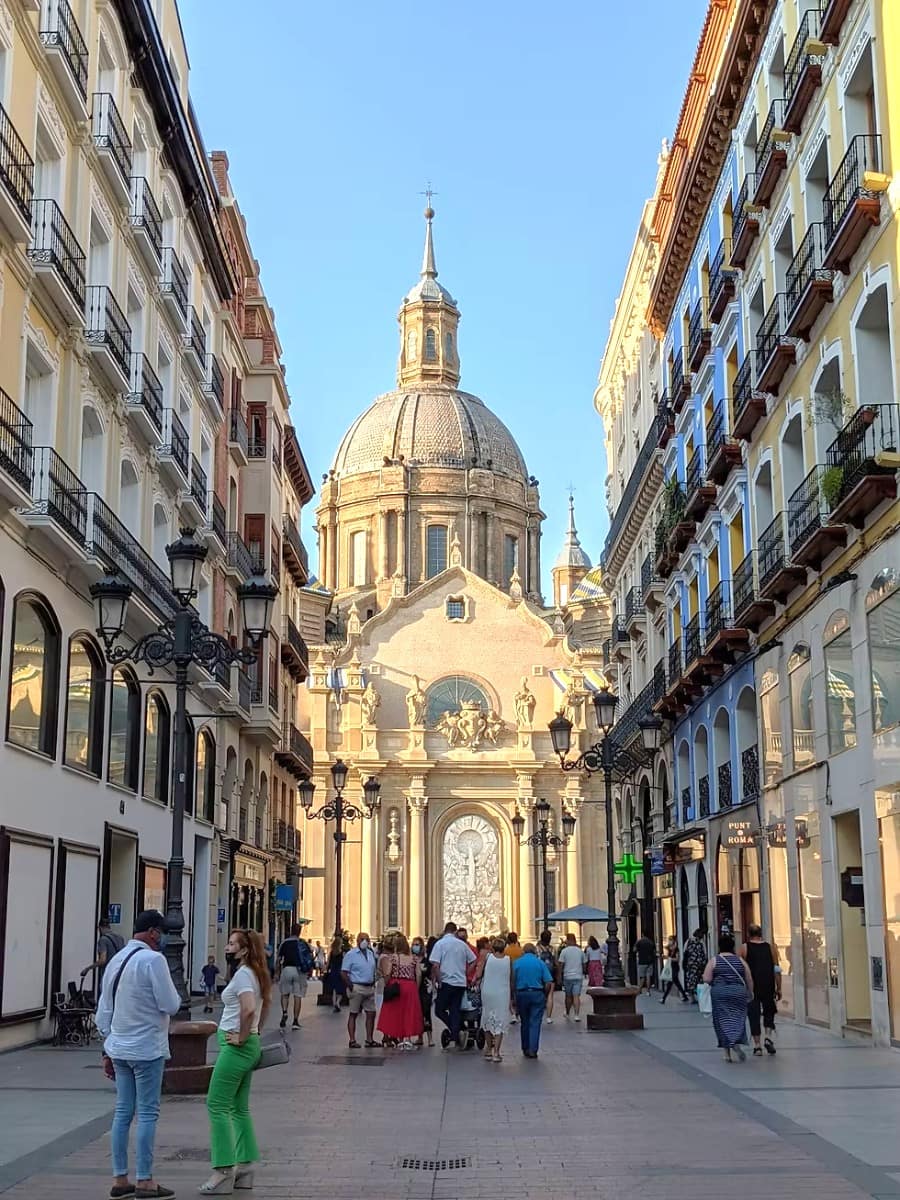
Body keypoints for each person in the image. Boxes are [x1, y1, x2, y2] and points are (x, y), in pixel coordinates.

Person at [95, 909, 180, 1200]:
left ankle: (120, 1178)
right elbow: (170, 1004)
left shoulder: (117, 959)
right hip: (147, 1049)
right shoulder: (153, 960)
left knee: (122, 1112)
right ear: (154, 933)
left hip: (119, 1048)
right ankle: (145, 1180)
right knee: (146, 1113)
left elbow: (104, 1009)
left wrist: (107, 1046)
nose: (164, 937)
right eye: (163, 932)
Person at [200, 928, 271, 1194]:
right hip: (248, 1044)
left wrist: (242, 1036)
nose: (227, 948)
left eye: (232, 944)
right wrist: (255, 1032)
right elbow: (266, 1006)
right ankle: (246, 1166)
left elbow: (249, 1008)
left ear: (244, 950)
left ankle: (223, 1169)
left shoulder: (243, 974)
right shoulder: (257, 973)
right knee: (239, 1108)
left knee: (216, 1104)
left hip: (237, 1047)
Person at [703, 932, 753, 1063]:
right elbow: (749, 978)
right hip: (738, 993)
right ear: (732, 947)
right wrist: (750, 993)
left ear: (719, 946)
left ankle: (727, 1052)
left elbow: (707, 979)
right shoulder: (740, 960)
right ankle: (735, 1039)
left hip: (720, 994)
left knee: (721, 1021)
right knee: (738, 1019)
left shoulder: (714, 960)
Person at [430, 921, 476, 1049]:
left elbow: (435, 965)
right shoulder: (462, 945)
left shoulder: (440, 944)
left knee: (439, 1009)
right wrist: (466, 973)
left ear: (445, 931)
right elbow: (473, 960)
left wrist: (439, 980)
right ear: (455, 931)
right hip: (460, 983)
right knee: (455, 1009)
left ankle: (457, 1031)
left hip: (446, 982)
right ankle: (457, 1033)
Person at [376, 933, 424, 1049]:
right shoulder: (414, 958)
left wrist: (386, 983)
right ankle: (408, 1038)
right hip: (410, 986)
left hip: (396, 985)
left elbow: (388, 973)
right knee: (409, 1013)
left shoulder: (393, 958)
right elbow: (418, 974)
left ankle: (400, 1038)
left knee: (397, 1012)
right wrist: (415, 987)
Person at [739, 924, 780, 1055]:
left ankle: (757, 1046)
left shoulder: (744, 948)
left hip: (752, 987)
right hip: (768, 984)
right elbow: (776, 969)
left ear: (748, 934)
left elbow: (739, 969)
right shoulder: (770, 947)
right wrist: (779, 987)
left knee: (754, 1015)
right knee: (769, 1011)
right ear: (761, 933)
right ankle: (768, 1037)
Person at [512, 943, 553, 1058]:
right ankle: (533, 1049)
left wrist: (513, 996)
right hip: (537, 993)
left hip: (522, 993)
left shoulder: (517, 963)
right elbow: (548, 981)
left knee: (524, 1022)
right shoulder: (540, 963)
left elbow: (512, 981)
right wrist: (544, 993)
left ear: (523, 951)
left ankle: (525, 1047)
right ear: (535, 951)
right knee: (535, 1022)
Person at [477, 937, 514, 1062]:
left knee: (487, 1018)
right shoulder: (508, 960)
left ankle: (488, 1049)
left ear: (492, 948)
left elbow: (478, 974)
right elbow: (510, 979)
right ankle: (497, 1052)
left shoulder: (487, 957)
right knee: (500, 1020)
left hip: (488, 991)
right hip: (502, 992)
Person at [341, 931, 379, 1048]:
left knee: (371, 1013)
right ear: (357, 941)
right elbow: (343, 972)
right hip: (357, 987)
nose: (365, 941)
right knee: (353, 1013)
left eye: (367, 939)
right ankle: (352, 1040)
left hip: (369, 987)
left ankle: (369, 1039)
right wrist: (351, 986)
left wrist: (374, 980)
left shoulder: (371, 953)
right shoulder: (351, 954)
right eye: (362, 939)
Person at [275, 923, 314, 1030]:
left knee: (285, 994)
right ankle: (295, 1021)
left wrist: (277, 972)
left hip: (287, 969)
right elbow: (309, 958)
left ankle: (284, 1012)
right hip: (299, 971)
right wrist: (309, 971)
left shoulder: (284, 943)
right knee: (298, 996)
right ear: (299, 931)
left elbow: (278, 959)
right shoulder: (303, 943)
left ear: (290, 930)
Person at [558, 932, 586, 1020]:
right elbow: (584, 963)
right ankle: (577, 1015)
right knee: (576, 996)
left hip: (567, 976)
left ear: (569, 940)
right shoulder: (580, 951)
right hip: (578, 976)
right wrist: (583, 971)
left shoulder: (564, 951)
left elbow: (561, 964)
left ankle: (567, 1012)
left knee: (568, 996)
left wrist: (559, 976)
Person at [412, 936, 434, 1047]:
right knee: (417, 1013)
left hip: (425, 989)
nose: (415, 946)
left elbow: (430, 974)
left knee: (426, 1012)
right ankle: (419, 1037)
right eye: (414, 944)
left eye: (417, 944)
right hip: (414, 989)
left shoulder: (427, 960)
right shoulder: (411, 960)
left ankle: (430, 1038)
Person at [95, 918, 125, 994]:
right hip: (120, 973)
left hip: (108, 973)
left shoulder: (103, 940)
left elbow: (103, 960)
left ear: (100, 928)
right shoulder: (120, 938)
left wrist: (88, 968)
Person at [536, 930, 558, 1023]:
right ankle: (548, 1017)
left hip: (539, 973)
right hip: (550, 973)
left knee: (539, 994)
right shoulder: (553, 949)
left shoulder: (536, 948)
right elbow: (556, 962)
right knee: (550, 995)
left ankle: (539, 1014)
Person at [660, 935, 689, 1004]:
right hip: (671, 968)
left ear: (673, 941)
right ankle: (685, 996)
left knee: (670, 984)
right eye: (669, 940)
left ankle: (663, 998)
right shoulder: (670, 949)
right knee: (677, 983)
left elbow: (677, 959)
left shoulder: (676, 949)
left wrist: (668, 958)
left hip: (675, 968)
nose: (669, 941)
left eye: (670, 940)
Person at [683, 929, 707, 1003]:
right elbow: (705, 953)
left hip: (690, 965)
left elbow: (685, 951)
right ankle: (700, 998)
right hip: (699, 965)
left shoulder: (688, 941)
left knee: (691, 981)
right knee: (699, 981)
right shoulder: (701, 942)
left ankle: (692, 998)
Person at [325, 936, 346, 1013]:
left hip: (332, 972)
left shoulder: (331, 953)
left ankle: (334, 1003)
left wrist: (326, 970)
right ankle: (338, 1002)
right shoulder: (342, 953)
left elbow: (328, 964)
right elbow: (344, 963)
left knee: (334, 989)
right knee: (340, 989)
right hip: (339, 972)